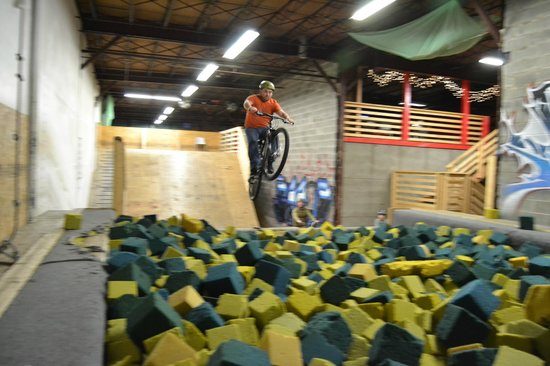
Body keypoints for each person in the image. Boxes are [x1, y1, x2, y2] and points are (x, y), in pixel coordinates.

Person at [243, 80, 293, 180]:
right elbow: (246, 103)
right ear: (260, 91)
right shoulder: (253, 98)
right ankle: (254, 168)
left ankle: (270, 159)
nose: (268, 94)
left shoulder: (273, 103)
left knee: (274, 135)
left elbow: (281, 112)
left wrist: (287, 118)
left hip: (264, 128)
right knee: (253, 141)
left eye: (270, 92)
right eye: (265, 91)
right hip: (251, 128)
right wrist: (250, 108)